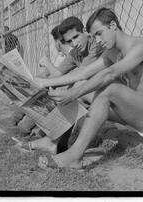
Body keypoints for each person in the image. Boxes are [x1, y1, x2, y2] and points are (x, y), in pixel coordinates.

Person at [38, 7, 143, 169]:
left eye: (99, 33)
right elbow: (84, 73)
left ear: (113, 25)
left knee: (109, 88)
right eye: (94, 36)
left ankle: (73, 155)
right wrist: (43, 83)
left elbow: (110, 73)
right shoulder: (111, 52)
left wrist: (71, 93)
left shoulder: (142, 45)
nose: (97, 40)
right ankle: (56, 143)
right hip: (131, 111)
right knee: (85, 89)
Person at [14, 16, 105, 153]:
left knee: (71, 87)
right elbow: (57, 74)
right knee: (58, 88)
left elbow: (82, 74)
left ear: (85, 31)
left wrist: (46, 82)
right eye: (69, 41)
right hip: (91, 94)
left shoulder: (96, 45)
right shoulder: (75, 53)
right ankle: (49, 138)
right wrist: (31, 84)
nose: (74, 44)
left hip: (108, 94)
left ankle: (49, 140)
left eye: (76, 37)